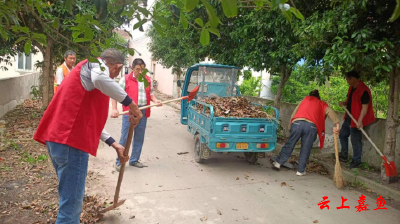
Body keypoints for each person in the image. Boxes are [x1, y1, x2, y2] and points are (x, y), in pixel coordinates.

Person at [33, 49, 143, 224]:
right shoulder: (97, 66)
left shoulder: (86, 72)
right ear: (117, 67)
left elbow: (85, 119)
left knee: (68, 200)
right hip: (70, 143)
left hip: (59, 140)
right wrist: (132, 105)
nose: (113, 78)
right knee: (71, 210)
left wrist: (113, 143)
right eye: (116, 73)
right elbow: (101, 79)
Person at [272, 90, 340, 176]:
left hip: (297, 123)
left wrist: (290, 126)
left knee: (290, 143)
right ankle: (300, 170)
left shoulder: (304, 100)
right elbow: (330, 112)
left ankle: (278, 163)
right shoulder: (321, 103)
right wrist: (337, 124)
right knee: (306, 148)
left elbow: (294, 113)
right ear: (318, 97)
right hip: (311, 127)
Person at [111, 58, 162, 171]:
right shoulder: (126, 79)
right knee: (125, 137)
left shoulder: (147, 80)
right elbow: (114, 94)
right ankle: (119, 161)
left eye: (142, 69)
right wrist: (114, 108)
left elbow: (151, 94)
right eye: (137, 69)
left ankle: (134, 160)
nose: (140, 72)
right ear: (132, 69)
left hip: (143, 111)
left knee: (139, 136)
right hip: (130, 112)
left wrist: (156, 100)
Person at [338, 70, 375, 168]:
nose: (347, 81)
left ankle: (356, 160)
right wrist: (344, 103)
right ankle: (344, 155)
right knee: (342, 135)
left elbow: (365, 107)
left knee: (355, 140)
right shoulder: (351, 88)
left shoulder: (364, 90)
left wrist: (360, 120)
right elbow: (349, 100)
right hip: (349, 117)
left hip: (357, 119)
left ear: (353, 79)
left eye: (347, 79)